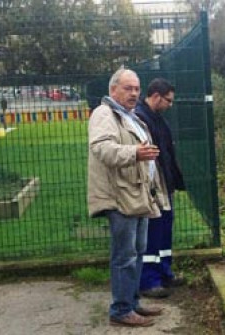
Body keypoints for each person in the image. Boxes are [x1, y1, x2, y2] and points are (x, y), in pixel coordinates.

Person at [87, 68, 171, 328]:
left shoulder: (130, 116)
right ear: (114, 90)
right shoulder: (104, 114)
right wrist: (135, 152)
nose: (134, 93)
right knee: (124, 255)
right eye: (128, 88)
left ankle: (132, 303)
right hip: (119, 196)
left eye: (136, 88)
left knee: (136, 252)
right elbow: (101, 148)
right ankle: (121, 309)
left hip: (137, 195)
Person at [135, 78, 185, 299]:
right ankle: (149, 280)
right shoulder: (141, 118)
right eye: (168, 100)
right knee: (153, 231)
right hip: (152, 185)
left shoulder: (156, 118)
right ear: (156, 96)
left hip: (164, 182)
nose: (170, 105)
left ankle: (165, 272)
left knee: (165, 228)